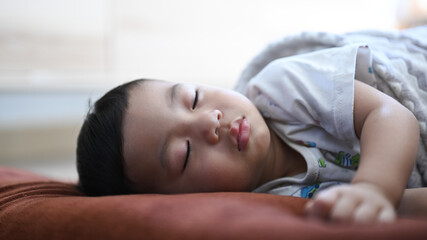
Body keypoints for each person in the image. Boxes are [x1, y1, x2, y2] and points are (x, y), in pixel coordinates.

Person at [77, 42, 426, 223]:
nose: (208, 121)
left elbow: (389, 115)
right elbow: (404, 207)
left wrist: (374, 188)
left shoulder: (281, 88)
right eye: (184, 153)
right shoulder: (279, 204)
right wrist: (382, 203)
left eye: (193, 98)